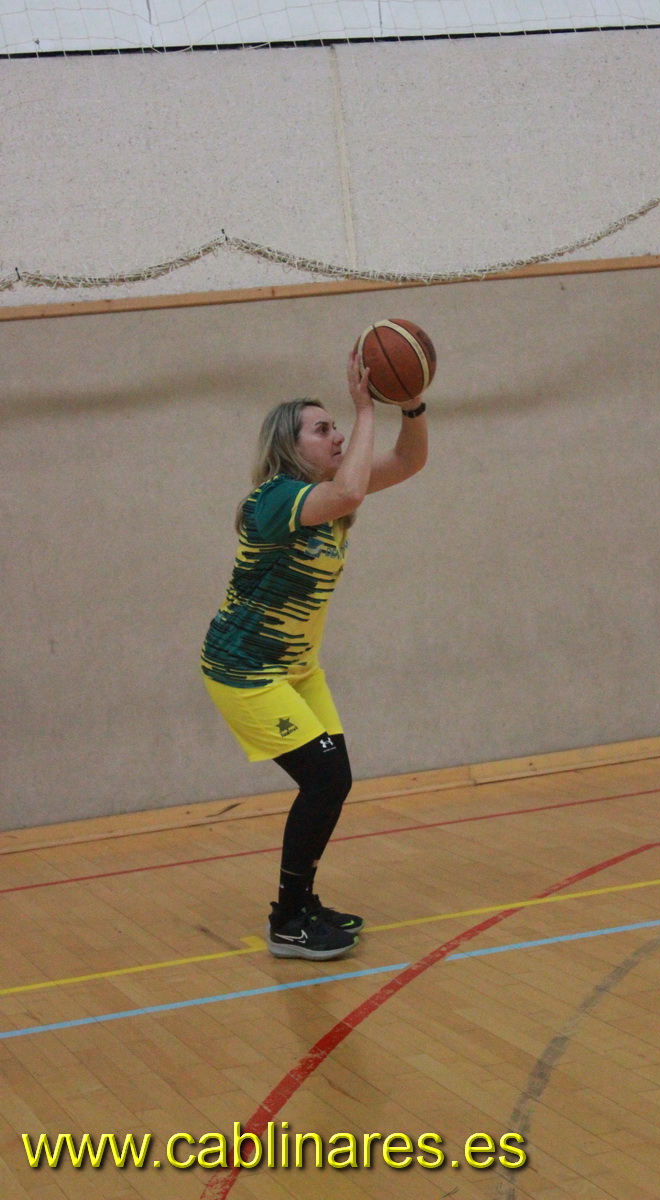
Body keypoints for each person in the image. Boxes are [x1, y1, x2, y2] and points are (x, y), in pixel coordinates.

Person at [201, 350, 428, 961]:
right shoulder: (275, 499)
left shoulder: (325, 495)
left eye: (337, 426)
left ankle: (302, 904)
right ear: (290, 447)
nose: (338, 436)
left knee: (334, 780)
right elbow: (352, 489)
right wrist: (365, 407)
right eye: (323, 429)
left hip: (297, 670)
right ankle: (287, 921)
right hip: (244, 670)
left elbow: (409, 461)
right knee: (324, 779)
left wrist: (412, 404)